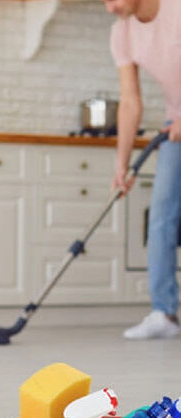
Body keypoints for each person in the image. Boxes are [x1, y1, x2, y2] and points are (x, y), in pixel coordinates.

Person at [104, 0, 181, 339]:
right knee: (162, 215)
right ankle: (164, 313)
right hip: (174, 126)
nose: (109, 8)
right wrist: (122, 165)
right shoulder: (122, 32)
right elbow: (130, 101)